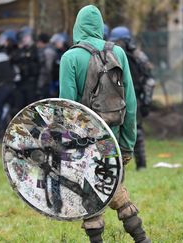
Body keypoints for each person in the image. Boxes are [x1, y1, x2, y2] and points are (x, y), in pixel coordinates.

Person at [59, 5, 150, 243]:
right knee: (111, 183)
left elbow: (67, 109)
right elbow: (130, 104)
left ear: (77, 26)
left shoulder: (70, 58)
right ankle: (141, 238)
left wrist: (66, 149)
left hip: (84, 141)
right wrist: (128, 144)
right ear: (100, 26)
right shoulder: (117, 53)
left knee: (91, 192)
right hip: (112, 139)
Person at [109, 26, 155, 170]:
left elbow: (149, 80)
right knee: (112, 132)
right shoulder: (109, 54)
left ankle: (141, 164)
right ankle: (115, 167)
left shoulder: (138, 56)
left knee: (136, 130)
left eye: (120, 41)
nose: (118, 44)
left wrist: (146, 101)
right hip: (114, 98)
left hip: (134, 97)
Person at [11, 27, 40, 114]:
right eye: (24, 37)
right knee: (20, 106)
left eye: (27, 37)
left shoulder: (35, 49)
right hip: (22, 81)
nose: (25, 39)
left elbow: (37, 65)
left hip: (32, 82)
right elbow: (14, 59)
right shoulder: (21, 50)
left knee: (31, 107)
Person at [36, 33, 57, 99]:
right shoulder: (44, 50)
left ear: (41, 42)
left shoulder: (48, 51)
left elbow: (49, 68)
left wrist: (45, 82)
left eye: (38, 42)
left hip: (47, 82)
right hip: (44, 81)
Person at [50, 33, 70, 98]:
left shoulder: (68, 52)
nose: (56, 45)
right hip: (56, 81)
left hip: (64, 82)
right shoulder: (57, 52)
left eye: (57, 42)